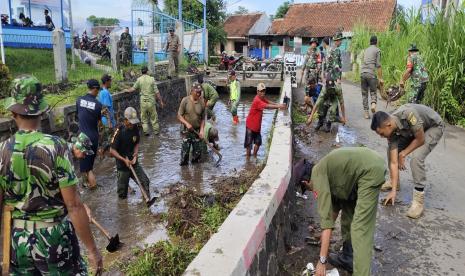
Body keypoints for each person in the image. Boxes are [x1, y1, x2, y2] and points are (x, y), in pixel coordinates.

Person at [0, 75, 102, 275]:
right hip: (54, 238)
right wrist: (92, 250)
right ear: (42, 112)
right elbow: (73, 205)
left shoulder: (2, 150)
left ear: (13, 112)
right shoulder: (57, 147)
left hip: (17, 239)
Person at [301, 147, 386, 276]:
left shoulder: (317, 176)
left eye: (308, 189)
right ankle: (348, 258)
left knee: (360, 229)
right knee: (347, 218)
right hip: (354, 179)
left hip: (369, 172)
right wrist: (322, 234)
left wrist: (322, 261)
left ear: (305, 182)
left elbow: (326, 222)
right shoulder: (326, 172)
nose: (311, 190)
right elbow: (332, 211)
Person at [371, 104, 444, 218]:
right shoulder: (391, 131)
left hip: (433, 127)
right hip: (414, 130)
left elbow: (420, 139)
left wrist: (404, 153)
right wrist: (393, 191)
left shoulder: (409, 115)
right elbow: (394, 162)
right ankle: (395, 183)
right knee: (391, 152)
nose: (381, 137)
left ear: (388, 125)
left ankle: (418, 202)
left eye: (381, 134)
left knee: (416, 157)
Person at [110, 107, 152, 199]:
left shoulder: (135, 128)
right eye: (130, 123)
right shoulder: (119, 132)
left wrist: (136, 154)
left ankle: (146, 201)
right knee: (122, 194)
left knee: (145, 182)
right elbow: (112, 150)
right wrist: (123, 160)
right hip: (122, 165)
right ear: (125, 120)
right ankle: (124, 211)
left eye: (133, 123)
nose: (132, 125)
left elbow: (136, 143)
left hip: (133, 162)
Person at [245, 83, 286, 157]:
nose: (263, 93)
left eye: (264, 91)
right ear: (257, 91)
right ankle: (248, 160)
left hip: (257, 126)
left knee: (258, 143)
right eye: (261, 91)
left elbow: (268, 102)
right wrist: (279, 106)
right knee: (249, 145)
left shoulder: (261, 98)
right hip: (250, 126)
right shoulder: (257, 100)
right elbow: (267, 106)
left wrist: (278, 104)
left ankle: (254, 157)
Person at [76, 79, 102, 189]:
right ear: (95, 88)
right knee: (89, 166)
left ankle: (93, 189)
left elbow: (79, 115)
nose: (98, 92)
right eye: (98, 90)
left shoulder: (79, 100)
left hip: (83, 138)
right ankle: (89, 185)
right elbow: (99, 122)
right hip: (94, 137)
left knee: (86, 168)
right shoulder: (98, 104)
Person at [125, 66, 165, 136]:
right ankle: (156, 132)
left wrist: (126, 90)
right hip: (151, 102)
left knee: (144, 118)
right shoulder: (151, 79)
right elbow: (157, 92)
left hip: (143, 102)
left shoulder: (139, 80)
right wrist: (161, 101)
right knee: (154, 118)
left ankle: (146, 132)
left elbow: (133, 89)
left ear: (141, 72)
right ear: (147, 71)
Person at [177, 82, 206, 166]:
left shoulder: (202, 102)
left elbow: (203, 118)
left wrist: (201, 130)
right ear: (192, 91)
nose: (198, 93)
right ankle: (185, 175)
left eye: (200, 92)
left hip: (196, 131)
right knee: (185, 155)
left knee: (197, 155)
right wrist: (186, 123)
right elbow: (179, 116)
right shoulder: (185, 100)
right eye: (197, 91)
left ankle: (197, 175)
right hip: (186, 131)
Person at [360, 35, 383, 119]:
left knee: (364, 94)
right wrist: (380, 78)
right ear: (376, 42)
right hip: (371, 74)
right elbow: (379, 65)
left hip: (362, 73)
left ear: (370, 42)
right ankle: (373, 104)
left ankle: (366, 113)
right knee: (373, 92)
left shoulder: (366, 50)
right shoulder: (377, 50)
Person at [98, 74, 116, 155]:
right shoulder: (105, 92)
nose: (111, 82)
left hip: (105, 121)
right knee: (110, 142)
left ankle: (105, 156)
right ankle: (103, 155)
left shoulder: (102, 92)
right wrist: (109, 123)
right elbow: (105, 108)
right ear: (106, 82)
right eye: (110, 81)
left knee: (109, 141)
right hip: (107, 122)